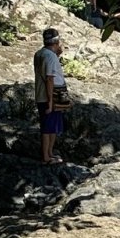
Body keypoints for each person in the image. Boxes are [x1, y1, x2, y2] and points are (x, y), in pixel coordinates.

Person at [33, 27, 69, 164]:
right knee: (49, 127)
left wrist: (57, 55)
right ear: (56, 42)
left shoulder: (40, 53)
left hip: (41, 94)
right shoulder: (50, 56)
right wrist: (50, 102)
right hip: (51, 96)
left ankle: (49, 153)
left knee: (50, 125)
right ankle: (46, 157)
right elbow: (49, 78)